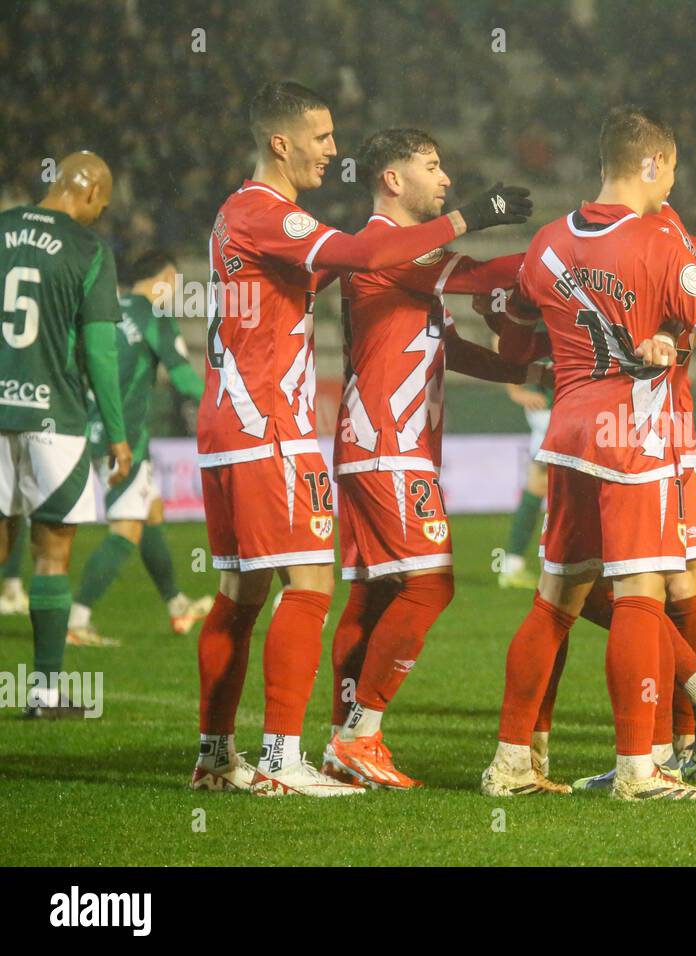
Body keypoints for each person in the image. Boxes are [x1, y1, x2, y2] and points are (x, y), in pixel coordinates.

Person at [191, 80, 532, 796]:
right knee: (342, 586)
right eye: (321, 138)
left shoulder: (242, 218)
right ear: (281, 142)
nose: (333, 150)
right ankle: (305, 752)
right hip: (285, 429)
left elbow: (433, 335)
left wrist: (520, 357)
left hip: (244, 424)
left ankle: (224, 754)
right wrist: (558, 259)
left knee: (254, 593)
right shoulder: (270, 214)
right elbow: (371, 258)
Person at [481, 106, 696, 800]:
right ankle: (639, 771)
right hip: (632, 434)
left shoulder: (549, 242)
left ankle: (511, 761)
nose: (671, 178)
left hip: (568, 435)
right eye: (669, 165)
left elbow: (512, 324)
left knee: (554, 600)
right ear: (650, 165)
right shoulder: (656, 243)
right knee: (643, 597)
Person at [321, 127, 544, 790]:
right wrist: (561, 259)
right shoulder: (380, 249)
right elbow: (481, 275)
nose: (445, 178)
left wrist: (533, 370)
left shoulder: (403, 261)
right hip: (388, 445)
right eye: (432, 165)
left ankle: (343, 741)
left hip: (382, 447)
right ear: (392, 179)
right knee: (431, 584)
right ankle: (362, 734)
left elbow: (449, 346)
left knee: (373, 595)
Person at [0, 150, 131, 717]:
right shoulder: (88, 249)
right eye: (104, 203)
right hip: (56, 420)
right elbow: (101, 351)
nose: (103, 213)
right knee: (51, 557)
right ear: (93, 191)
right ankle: (45, 692)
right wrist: (119, 435)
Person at [67, 248, 213, 648]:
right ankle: (77, 621)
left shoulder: (106, 310)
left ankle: (176, 603)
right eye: (176, 284)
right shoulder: (155, 318)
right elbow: (183, 377)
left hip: (91, 427)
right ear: (165, 278)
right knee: (126, 528)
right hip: (125, 438)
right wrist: (223, 410)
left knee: (150, 513)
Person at [497, 378, 552, 590]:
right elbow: (501, 344)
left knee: (538, 484)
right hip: (555, 411)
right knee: (578, 489)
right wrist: (516, 391)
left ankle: (512, 565)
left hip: (556, 409)